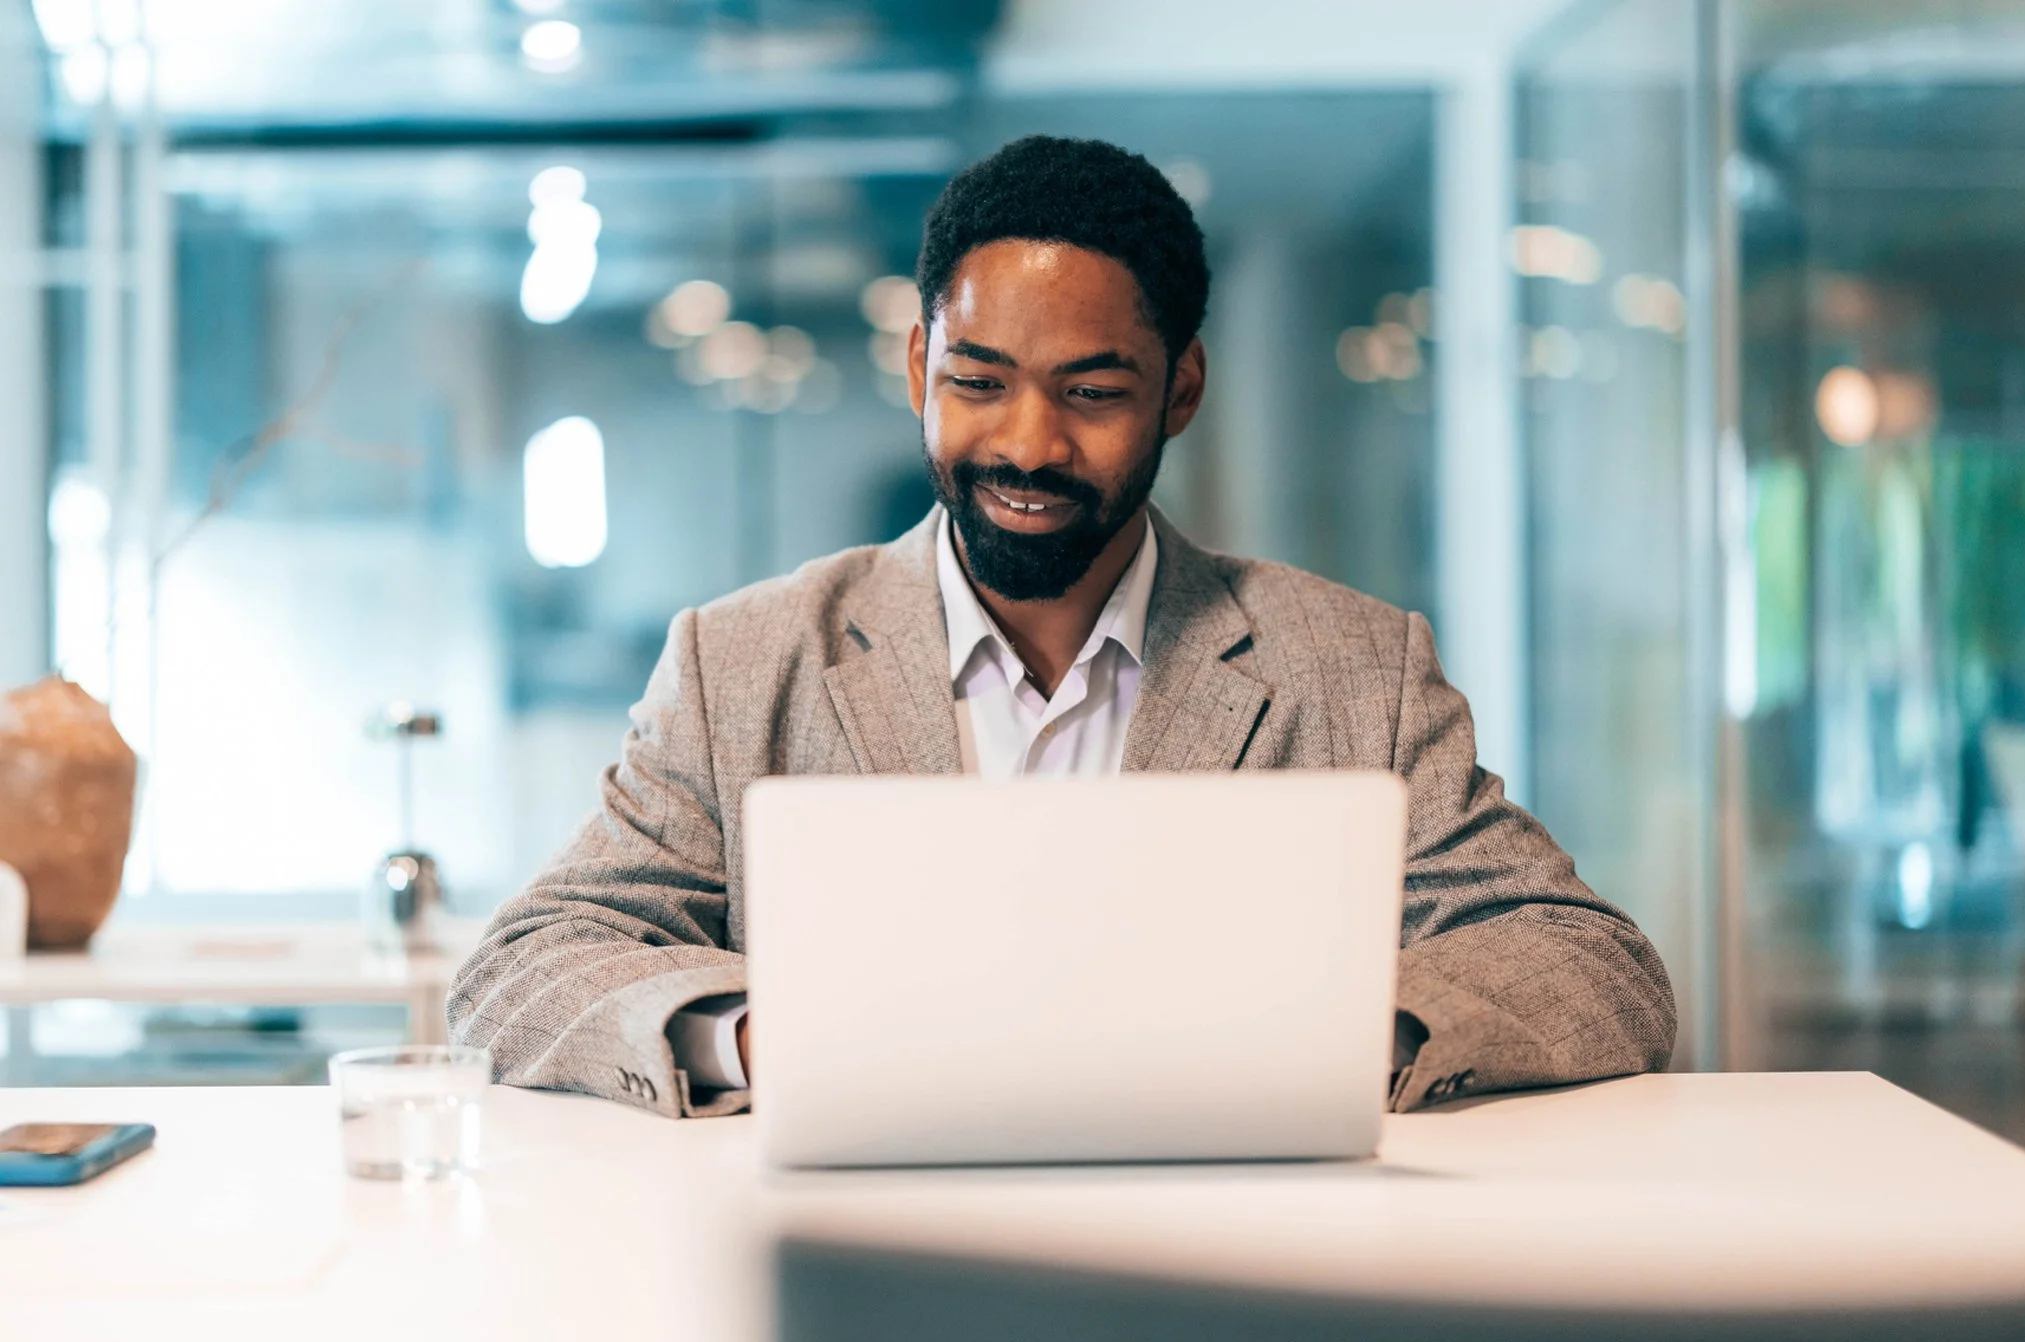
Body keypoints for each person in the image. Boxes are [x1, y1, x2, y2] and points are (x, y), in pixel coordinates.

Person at [447, 135, 1676, 1118]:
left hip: (1233, 1270)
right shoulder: (741, 662)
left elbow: (1592, 966)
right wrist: (765, 1036)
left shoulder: (1353, 666)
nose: (1027, 445)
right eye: (977, 380)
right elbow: (525, 967)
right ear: (917, 361)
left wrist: (1333, 1029)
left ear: (1178, 389)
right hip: (862, 1267)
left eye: (1090, 393)